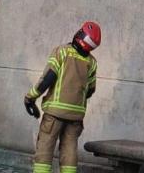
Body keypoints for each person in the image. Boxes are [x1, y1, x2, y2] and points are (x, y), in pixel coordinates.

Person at [24, 22, 101, 173]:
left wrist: (30, 97)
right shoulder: (92, 62)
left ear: (80, 35)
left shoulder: (62, 52)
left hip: (54, 114)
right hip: (76, 117)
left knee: (45, 149)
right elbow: (91, 90)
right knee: (69, 151)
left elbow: (47, 79)